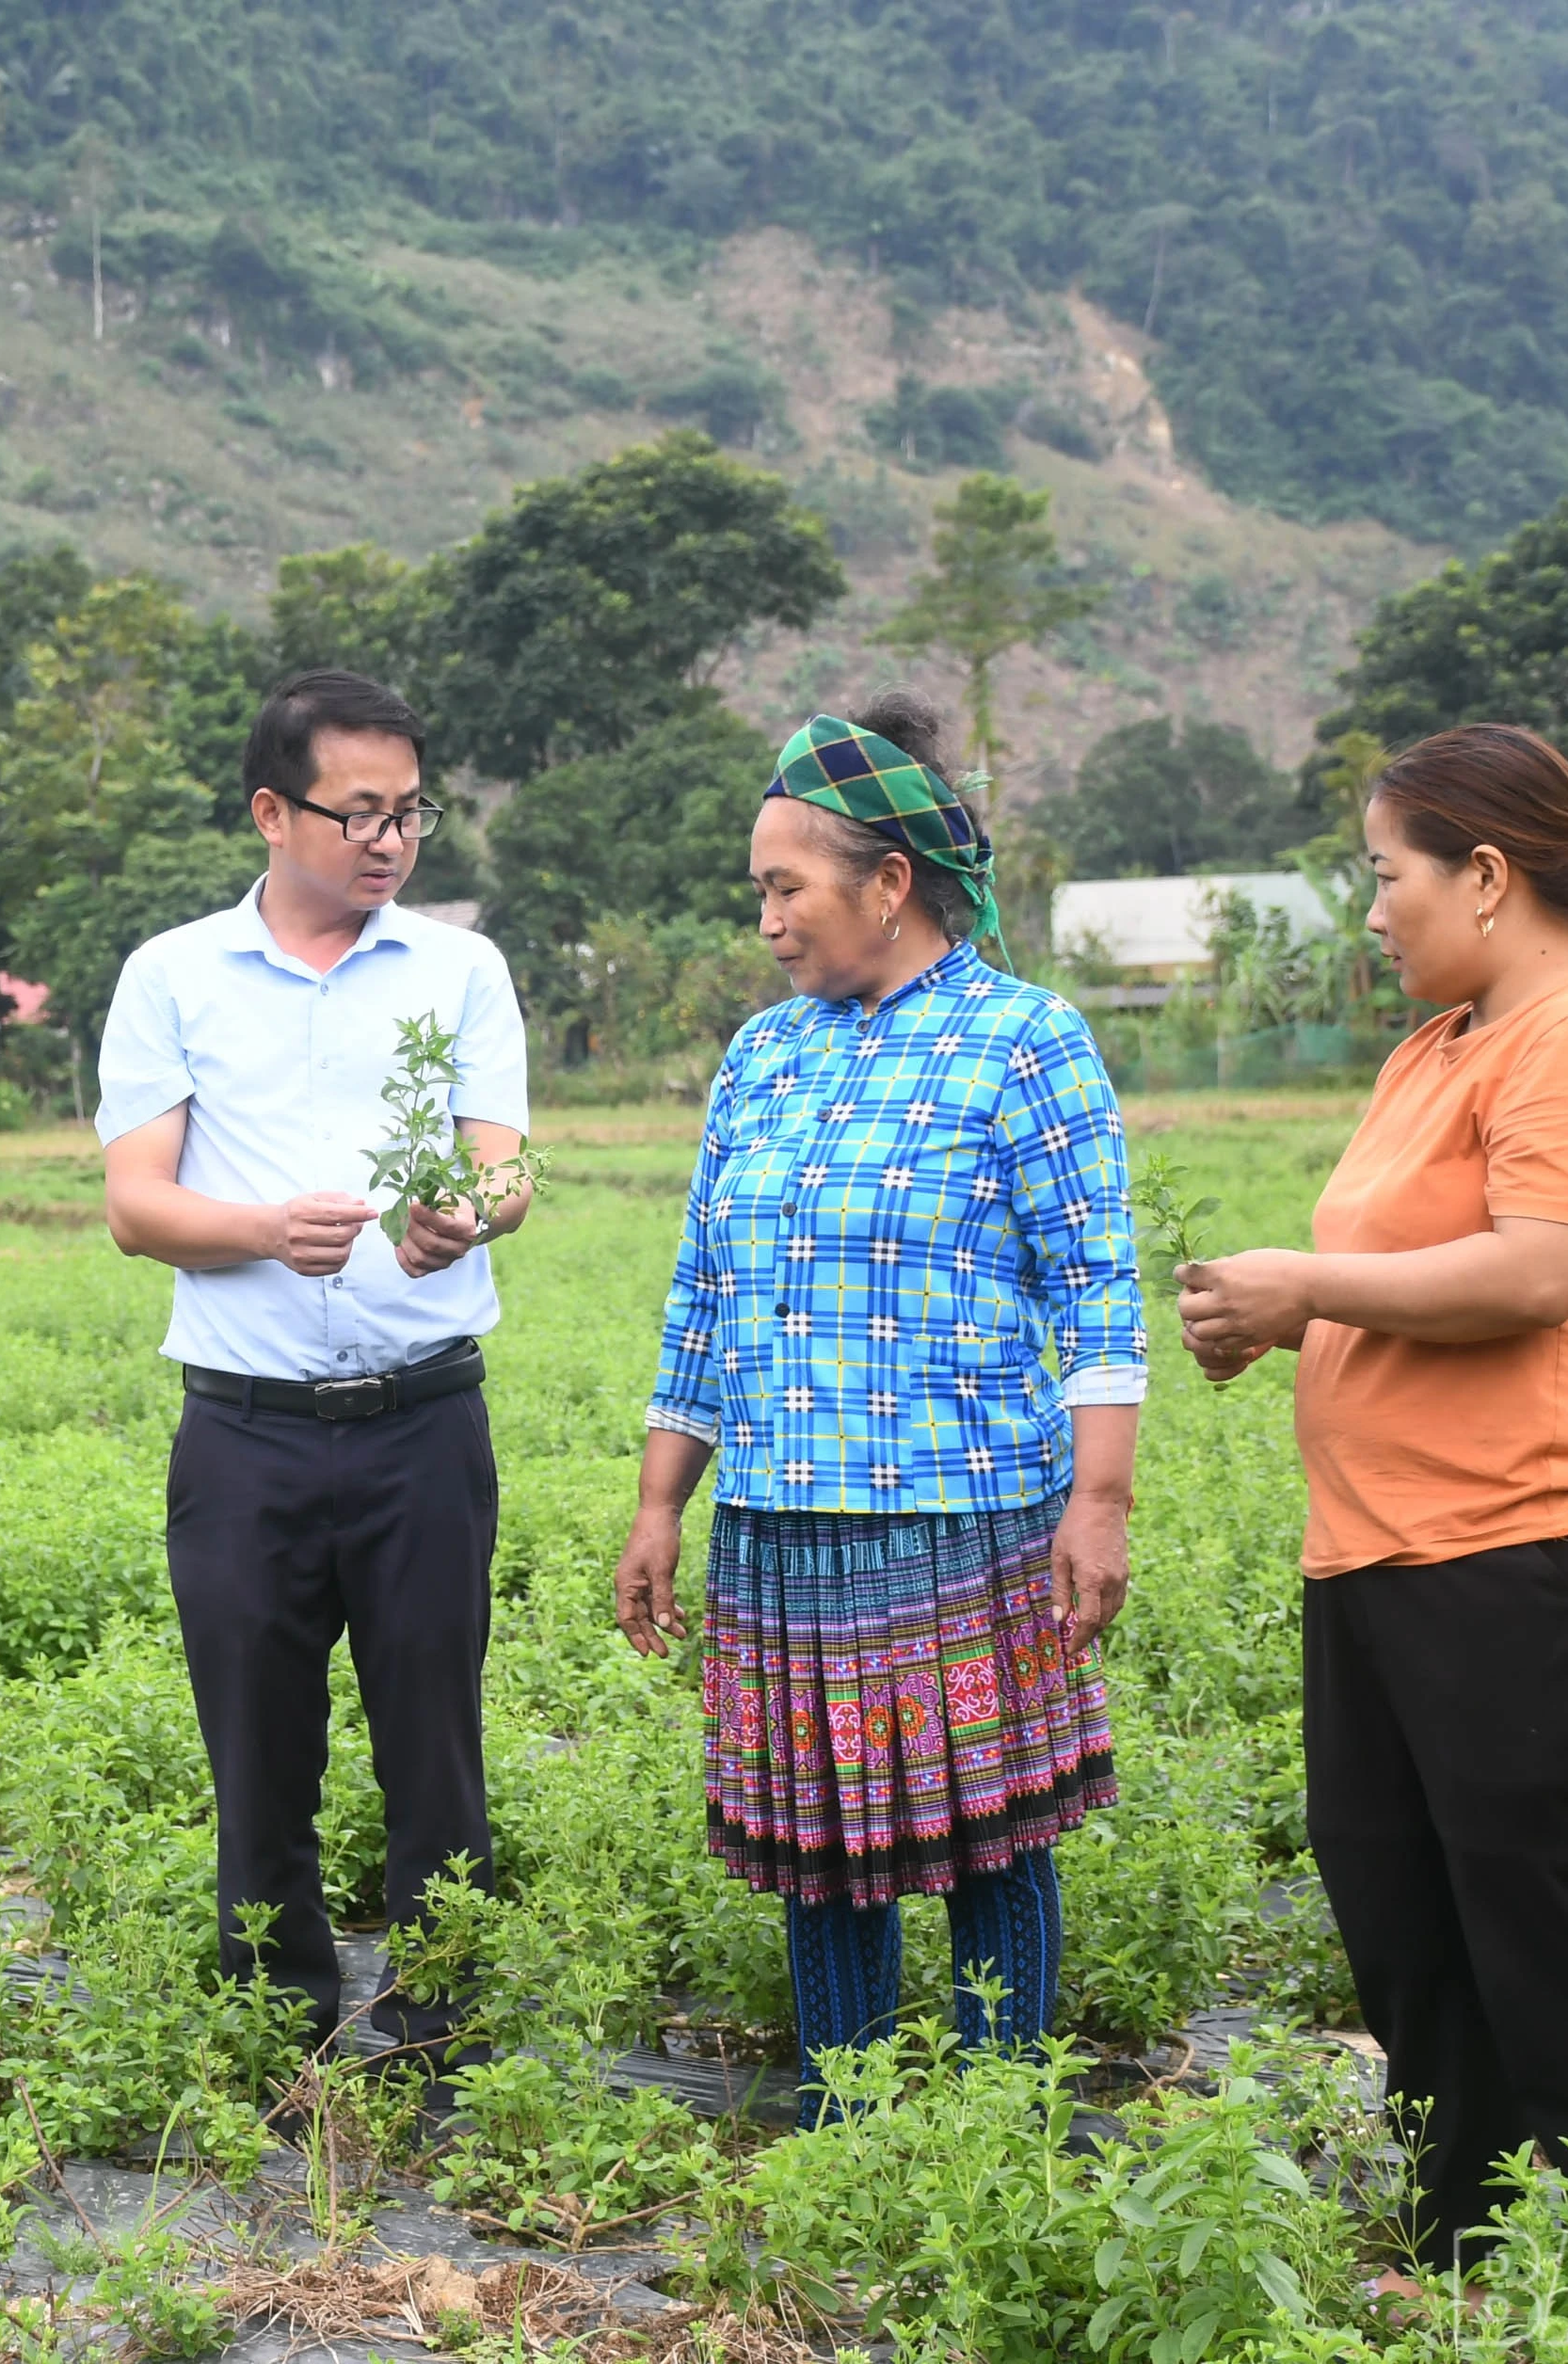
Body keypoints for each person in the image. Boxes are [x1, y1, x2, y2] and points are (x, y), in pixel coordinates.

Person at [1176, 723, 1568, 2265]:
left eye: (1384, 874)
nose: (1374, 908)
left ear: (1483, 874)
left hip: (1530, 1560)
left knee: (1546, 1930)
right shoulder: (1447, 1042)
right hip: (1391, 1557)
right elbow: (1416, 1261)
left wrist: (1305, 1288)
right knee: (1409, 1918)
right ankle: (1468, 2245)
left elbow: (1542, 1268)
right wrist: (1287, 1314)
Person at [613, 695, 1142, 2123]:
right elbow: (705, 1299)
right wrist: (664, 1501)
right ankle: (846, 2125)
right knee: (818, 1843)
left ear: (889, 885)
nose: (769, 920)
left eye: (787, 888)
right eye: (761, 892)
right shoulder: (764, 1058)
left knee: (983, 1838)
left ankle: (995, 2127)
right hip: (782, 1523)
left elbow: (1099, 1288)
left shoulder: (1023, 1042)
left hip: (958, 1520)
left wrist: (1100, 1504)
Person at [96, 668, 532, 2061]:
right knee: (259, 1748)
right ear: (273, 814)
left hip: (421, 1426)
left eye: (409, 814)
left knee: (435, 1747)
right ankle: (270, 2026)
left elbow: (504, 1161)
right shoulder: (173, 977)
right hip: (246, 1438)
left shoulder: (461, 970)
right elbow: (136, 1206)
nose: (390, 842)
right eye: (359, 814)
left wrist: (477, 1208)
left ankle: (439, 2026)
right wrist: (263, 1232)